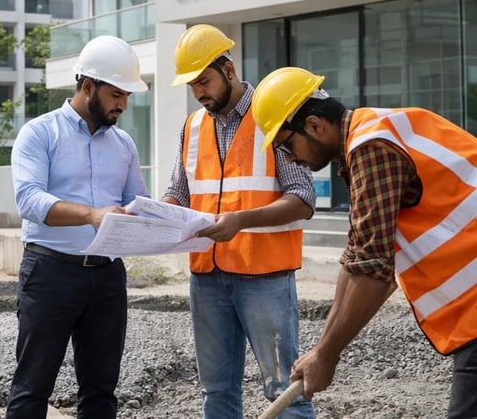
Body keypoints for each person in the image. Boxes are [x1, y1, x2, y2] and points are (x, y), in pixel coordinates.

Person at [251, 66, 477, 419]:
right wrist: (319, 349)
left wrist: (327, 355)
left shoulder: (372, 148)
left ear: (314, 125)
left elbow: (374, 270)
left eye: (286, 145)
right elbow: (356, 260)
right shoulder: (374, 135)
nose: (290, 159)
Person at [162, 25, 316, 419]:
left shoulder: (271, 114)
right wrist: (157, 214)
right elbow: (179, 190)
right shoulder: (192, 127)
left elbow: (303, 197)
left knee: (286, 394)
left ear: (228, 70)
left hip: (265, 275)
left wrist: (241, 220)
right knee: (216, 392)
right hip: (207, 277)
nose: (198, 92)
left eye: (204, 81)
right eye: (192, 85)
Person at [5, 35, 150, 419]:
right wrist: (91, 214)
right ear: (88, 86)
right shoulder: (39, 133)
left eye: (127, 96)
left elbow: (137, 203)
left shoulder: (124, 145)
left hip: (107, 278)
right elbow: (30, 201)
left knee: (101, 392)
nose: (123, 104)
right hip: (50, 273)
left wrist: (166, 221)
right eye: (117, 94)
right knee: (32, 389)